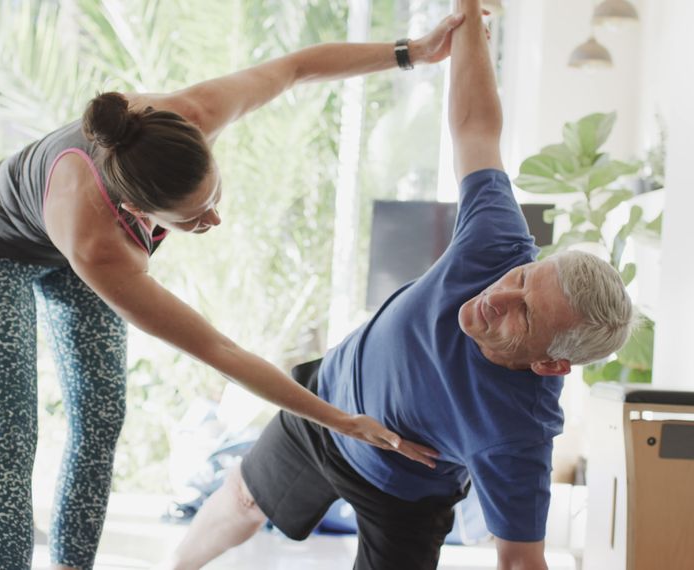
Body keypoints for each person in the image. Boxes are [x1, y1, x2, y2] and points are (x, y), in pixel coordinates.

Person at [0, 12, 469, 570]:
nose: (213, 219)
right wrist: (342, 420)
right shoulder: (99, 244)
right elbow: (222, 352)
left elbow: (297, 66)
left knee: (100, 418)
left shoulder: (190, 115)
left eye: (212, 195)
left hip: (66, 241)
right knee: (9, 435)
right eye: (192, 218)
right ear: (137, 210)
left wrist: (413, 51)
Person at [162, 1, 637, 569]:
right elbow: (476, 127)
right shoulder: (498, 245)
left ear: (550, 366)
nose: (496, 297)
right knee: (240, 498)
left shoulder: (519, 434)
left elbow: (519, 561)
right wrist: (466, 19)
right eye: (524, 278)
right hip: (327, 404)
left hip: (405, 495)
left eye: (525, 316)